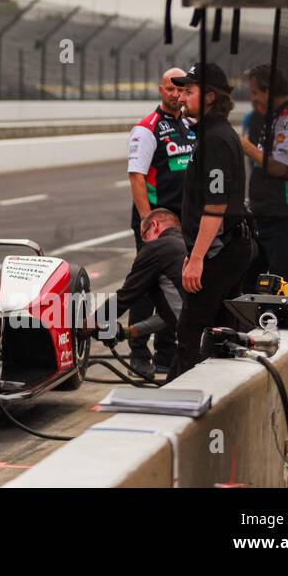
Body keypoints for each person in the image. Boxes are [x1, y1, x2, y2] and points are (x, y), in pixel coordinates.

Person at [172, 62, 255, 375]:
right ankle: (219, 392)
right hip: (230, 245)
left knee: (190, 330)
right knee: (221, 329)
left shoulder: (215, 140)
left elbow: (216, 206)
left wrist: (196, 259)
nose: (181, 96)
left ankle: (188, 400)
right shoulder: (211, 135)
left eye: (188, 91)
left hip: (221, 249)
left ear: (208, 97)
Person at [124, 67, 191, 378]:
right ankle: (139, 354)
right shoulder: (147, 129)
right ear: (160, 90)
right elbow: (136, 177)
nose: (175, 94)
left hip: (184, 224)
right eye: (170, 89)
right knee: (148, 287)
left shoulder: (190, 126)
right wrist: (148, 220)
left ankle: (166, 354)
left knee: (178, 287)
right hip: (156, 225)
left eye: (181, 89)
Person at [239, 65, 288, 290]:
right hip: (263, 214)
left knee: (281, 287)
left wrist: (247, 147)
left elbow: (279, 167)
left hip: (285, 217)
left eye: (255, 92)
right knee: (249, 284)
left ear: (269, 90)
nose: (253, 98)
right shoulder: (272, 117)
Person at [78, 208, 186, 360]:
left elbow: (125, 296)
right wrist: (125, 333)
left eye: (144, 235)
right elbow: (168, 316)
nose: (144, 242)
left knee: (181, 379)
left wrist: (90, 323)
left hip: (193, 337)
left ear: (154, 225)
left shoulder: (156, 248)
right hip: (209, 330)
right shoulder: (186, 244)